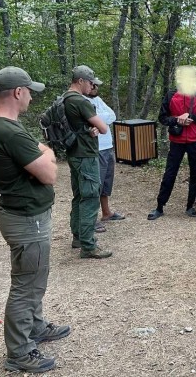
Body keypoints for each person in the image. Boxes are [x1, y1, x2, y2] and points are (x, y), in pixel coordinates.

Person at [0, 66, 71, 373]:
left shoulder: (6, 127)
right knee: (27, 286)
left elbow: (40, 152)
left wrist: (43, 151)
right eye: (30, 91)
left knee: (34, 278)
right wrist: (48, 154)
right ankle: (19, 352)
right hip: (26, 219)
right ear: (18, 92)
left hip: (26, 216)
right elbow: (49, 174)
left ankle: (34, 327)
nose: (32, 97)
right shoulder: (8, 131)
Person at [147, 65, 196, 220]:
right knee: (170, 173)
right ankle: (160, 207)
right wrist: (177, 119)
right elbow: (162, 118)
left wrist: (191, 116)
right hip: (177, 140)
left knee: (195, 174)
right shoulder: (171, 95)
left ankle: (190, 206)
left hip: (194, 141)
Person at [66, 65, 112, 259]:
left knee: (78, 196)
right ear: (81, 81)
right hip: (86, 155)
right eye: (91, 82)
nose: (92, 86)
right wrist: (95, 127)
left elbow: (76, 126)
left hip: (73, 153)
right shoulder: (80, 101)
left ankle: (77, 236)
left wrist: (88, 128)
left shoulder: (64, 99)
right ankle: (88, 245)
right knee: (90, 198)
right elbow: (103, 128)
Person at [84, 83, 125, 234]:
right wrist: (102, 119)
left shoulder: (98, 100)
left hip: (108, 146)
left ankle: (106, 213)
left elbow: (112, 115)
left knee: (107, 182)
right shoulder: (83, 101)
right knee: (96, 184)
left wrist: (100, 119)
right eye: (93, 84)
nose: (96, 87)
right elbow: (93, 119)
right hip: (97, 148)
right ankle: (91, 219)